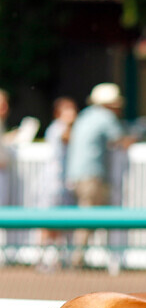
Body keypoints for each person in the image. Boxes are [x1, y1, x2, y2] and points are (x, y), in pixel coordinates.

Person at [65, 83, 134, 268]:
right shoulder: (105, 117)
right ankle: (78, 260)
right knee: (91, 217)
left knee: (85, 216)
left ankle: (80, 258)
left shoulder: (85, 115)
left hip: (75, 174)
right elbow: (120, 139)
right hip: (92, 175)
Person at [37, 97, 78, 271]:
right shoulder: (57, 129)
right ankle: (42, 258)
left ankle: (56, 258)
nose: (71, 113)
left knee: (61, 223)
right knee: (48, 222)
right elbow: (67, 137)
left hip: (64, 184)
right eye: (67, 110)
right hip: (53, 183)